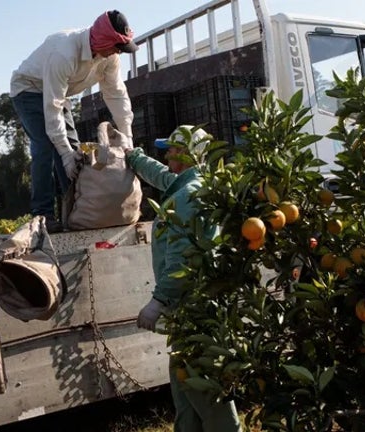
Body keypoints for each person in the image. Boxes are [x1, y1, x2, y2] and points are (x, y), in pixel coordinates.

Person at [125, 126, 241, 432]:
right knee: (185, 391)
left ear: (188, 155)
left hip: (194, 310)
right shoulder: (188, 185)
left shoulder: (187, 198)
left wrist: (158, 301)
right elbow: (162, 175)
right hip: (185, 312)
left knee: (205, 387)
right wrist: (133, 156)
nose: (167, 154)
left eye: (173, 150)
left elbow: (182, 258)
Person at [10, 10, 138, 232]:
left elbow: (116, 94)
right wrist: (64, 153)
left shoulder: (110, 58)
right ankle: (43, 215)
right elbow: (52, 108)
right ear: (103, 40)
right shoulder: (64, 53)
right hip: (29, 89)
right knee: (46, 146)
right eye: (116, 47)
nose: (118, 52)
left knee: (75, 152)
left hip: (59, 94)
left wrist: (128, 137)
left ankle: (77, 212)